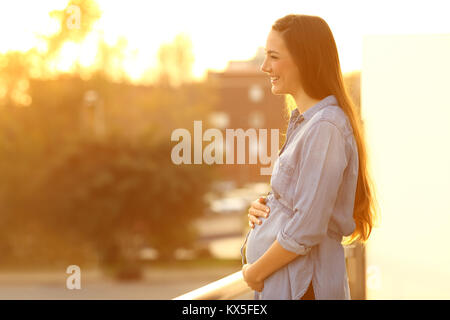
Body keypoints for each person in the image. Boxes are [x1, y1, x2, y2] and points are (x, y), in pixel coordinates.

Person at [240, 14, 378, 300]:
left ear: (304, 60)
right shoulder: (304, 124)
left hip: (303, 288)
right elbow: (297, 208)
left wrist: (254, 273)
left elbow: (306, 228)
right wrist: (264, 211)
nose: (265, 67)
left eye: (273, 57)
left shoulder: (325, 127)